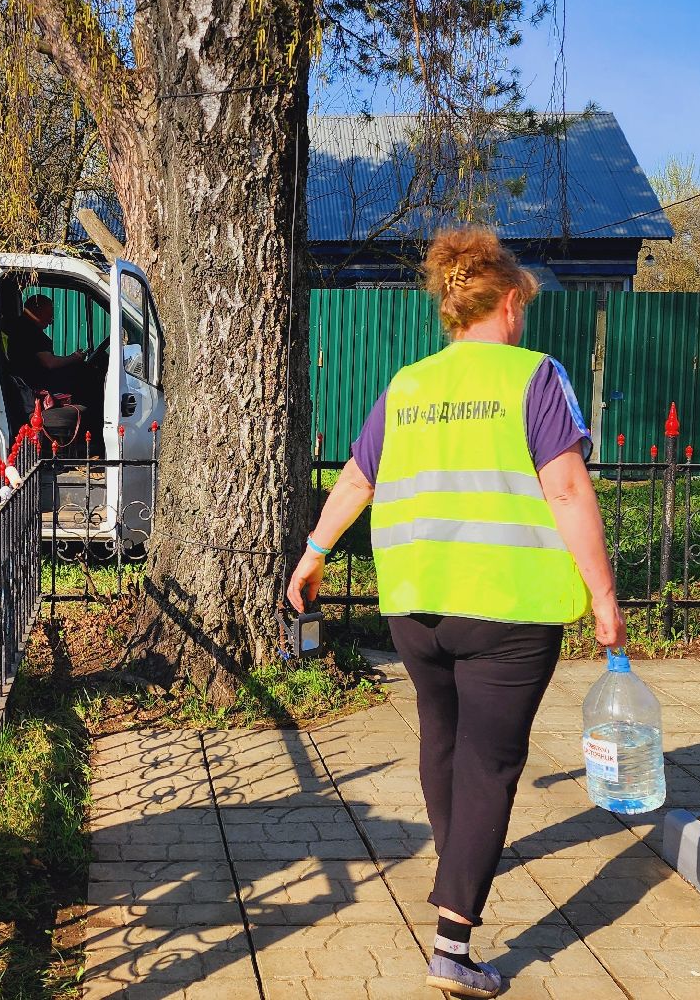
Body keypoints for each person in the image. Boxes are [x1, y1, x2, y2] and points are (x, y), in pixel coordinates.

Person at [286, 227, 624, 999]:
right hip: (506, 609)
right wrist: (604, 598)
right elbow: (568, 489)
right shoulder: (534, 377)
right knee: (490, 766)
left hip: (416, 607)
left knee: (442, 746)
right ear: (508, 303)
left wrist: (312, 554)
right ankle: (452, 945)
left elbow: (357, 480)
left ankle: (456, 867)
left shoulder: (408, 385)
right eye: (523, 309)